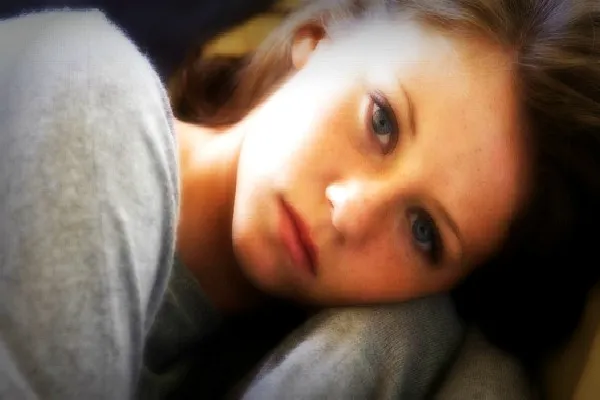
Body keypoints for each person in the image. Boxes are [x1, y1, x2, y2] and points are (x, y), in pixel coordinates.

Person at [0, 1, 599, 399]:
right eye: (382, 121)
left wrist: (407, 338)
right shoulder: (94, 99)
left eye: (423, 232)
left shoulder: (362, 345)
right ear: (320, 37)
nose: (351, 210)